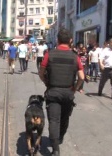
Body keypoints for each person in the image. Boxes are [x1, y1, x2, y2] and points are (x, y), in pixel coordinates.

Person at [39, 28, 84, 156]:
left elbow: (41, 73)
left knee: (54, 121)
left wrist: (47, 83)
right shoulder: (75, 56)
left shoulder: (50, 54)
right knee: (64, 119)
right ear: (71, 41)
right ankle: (60, 138)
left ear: (57, 40)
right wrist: (75, 88)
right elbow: (81, 77)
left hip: (53, 92)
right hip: (68, 92)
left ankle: (55, 150)